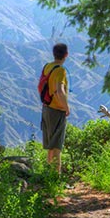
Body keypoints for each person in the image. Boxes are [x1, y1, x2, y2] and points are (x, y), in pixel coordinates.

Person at [40, 42, 70, 173]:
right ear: (66, 55)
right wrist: (66, 107)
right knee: (57, 146)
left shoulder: (47, 67)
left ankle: (48, 175)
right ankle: (55, 178)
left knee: (50, 146)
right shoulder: (60, 70)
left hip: (46, 108)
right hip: (57, 110)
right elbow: (59, 90)